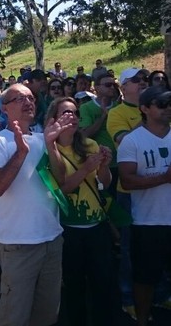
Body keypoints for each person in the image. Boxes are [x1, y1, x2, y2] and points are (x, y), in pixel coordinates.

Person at [0, 84, 69, 326]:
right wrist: (20, 152)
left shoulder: (44, 139)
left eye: (31, 97)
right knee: (14, 315)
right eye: (19, 98)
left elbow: (60, 180)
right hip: (18, 244)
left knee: (47, 313)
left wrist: (51, 146)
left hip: (52, 240)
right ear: (5, 107)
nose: (28, 101)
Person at [45, 97, 118, 326]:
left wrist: (104, 167)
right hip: (68, 230)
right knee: (74, 285)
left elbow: (103, 184)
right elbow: (61, 190)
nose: (73, 117)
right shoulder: (48, 150)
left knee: (102, 284)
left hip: (97, 227)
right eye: (66, 113)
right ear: (53, 119)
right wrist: (85, 168)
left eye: (75, 113)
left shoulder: (90, 145)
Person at [118, 85, 171, 326]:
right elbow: (127, 181)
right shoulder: (133, 141)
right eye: (162, 104)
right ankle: (141, 320)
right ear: (144, 109)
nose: (168, 108)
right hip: (148, 222)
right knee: (144, 279)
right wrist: (163, 178)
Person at [106, 67, 150, 319]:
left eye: (145, 79)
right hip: (129, 192)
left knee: (157, 246)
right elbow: (123, 141)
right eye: (137, 80)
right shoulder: (117, 113)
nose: (143, 82)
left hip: (160, 190)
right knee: (130, 247)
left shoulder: (158, 110)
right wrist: (149, 119)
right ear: (123, 87)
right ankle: (127, 297)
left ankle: (161, 293)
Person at [79, 72, 119, 192]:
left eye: (114, 85)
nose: (112, 87)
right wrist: (103, 116)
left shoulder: (118, 107)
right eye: (108, 85)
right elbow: (85, 134)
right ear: (96, 88)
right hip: (101, 164)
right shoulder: (86, 108)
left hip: (121, 162)